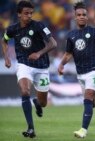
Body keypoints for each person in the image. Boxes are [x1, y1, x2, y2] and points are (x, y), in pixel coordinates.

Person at [1, 0, 57, 138]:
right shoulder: (13, 29)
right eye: (26, 13)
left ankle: (37, 102)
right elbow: (4, 40)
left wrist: (39, 53)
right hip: (24, 64)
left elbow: (53, 43)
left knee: (43, 103)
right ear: (19, 14)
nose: (29, 16)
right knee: (25, 91)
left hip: (42, 66)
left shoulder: (39, 26)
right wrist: (7, 58)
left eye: (31, 13)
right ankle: (31, 128)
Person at [57, 1, 95, 138]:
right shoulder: (71, 35)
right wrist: (61, 64)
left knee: (87, 98)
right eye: (79, 15)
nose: (81, 16)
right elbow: (68, 53)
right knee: (93, 103)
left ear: (87, 17)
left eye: (84, 14)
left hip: (94, 70)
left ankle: (83, 130)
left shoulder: (94, 31)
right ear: (75, 17)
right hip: (80, 74)